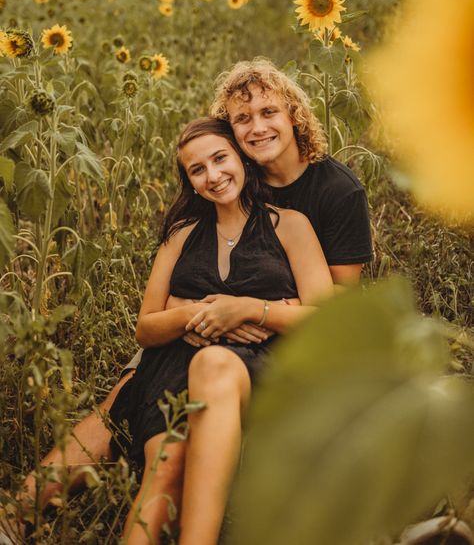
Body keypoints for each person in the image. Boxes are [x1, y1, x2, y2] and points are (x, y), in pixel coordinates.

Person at [14, 58, 372, 536]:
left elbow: (336, 313)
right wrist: (198, 311)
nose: (258, 127)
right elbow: (175, 287)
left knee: (190, 401)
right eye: (243, 119)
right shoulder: (231, 183)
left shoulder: (334, 192)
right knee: (128, 392)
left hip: (290, 347)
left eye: (269, 112)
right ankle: (17, 514)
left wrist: (254, 311)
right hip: (193, 333)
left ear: (294, 114)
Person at [106, 116, 333, 543]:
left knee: (214, 362)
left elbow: (324, 317)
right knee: (163, 470)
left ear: (241, 158)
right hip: (173, 368)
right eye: (197, 170)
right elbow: (146, 327)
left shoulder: (289, 225)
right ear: (190, 182)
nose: (213, 175)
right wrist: (197, 314)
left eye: (220, 158)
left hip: (262, 368)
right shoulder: (181, 235)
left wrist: (248, 310)